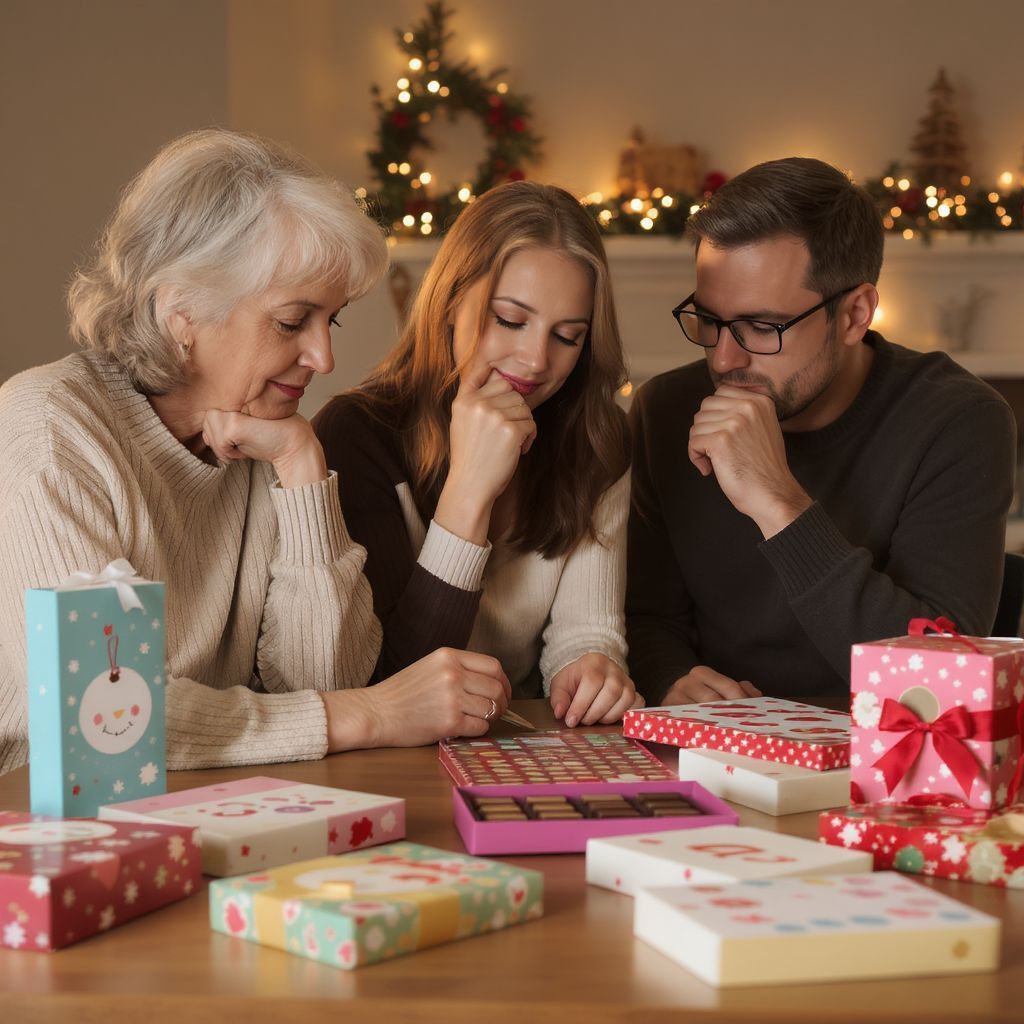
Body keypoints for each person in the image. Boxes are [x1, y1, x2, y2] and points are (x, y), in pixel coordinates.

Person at [0, 128, 510, 776]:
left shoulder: (264, 437)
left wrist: (301, 468)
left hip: (218, 807)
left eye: (333, 320)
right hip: (52, 831)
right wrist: (374, 714)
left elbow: (322, 677)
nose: (324, 358)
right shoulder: (52, 434)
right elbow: (105, 719)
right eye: (293, 321)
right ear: (180, 310)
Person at [626, 157, 1016, 707]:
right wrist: (670, 675)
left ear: (856, 314)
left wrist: (778, 504)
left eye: (763, 327)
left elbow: (936, 686)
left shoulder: (959, 420)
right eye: (709, 320)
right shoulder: (664, 410)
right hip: (716, 755)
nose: (723, 356)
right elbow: (645, 616)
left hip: (885, 762)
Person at [314, 181, 641, 728]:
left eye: (568, 336)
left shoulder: (597, 439)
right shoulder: (355, 435)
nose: (536, 360)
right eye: (510, 320)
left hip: (522, 744)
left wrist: (591, 668)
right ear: (449, 303)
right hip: (392, 759)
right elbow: (390, 684)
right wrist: (469, 489)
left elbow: (587, 631)